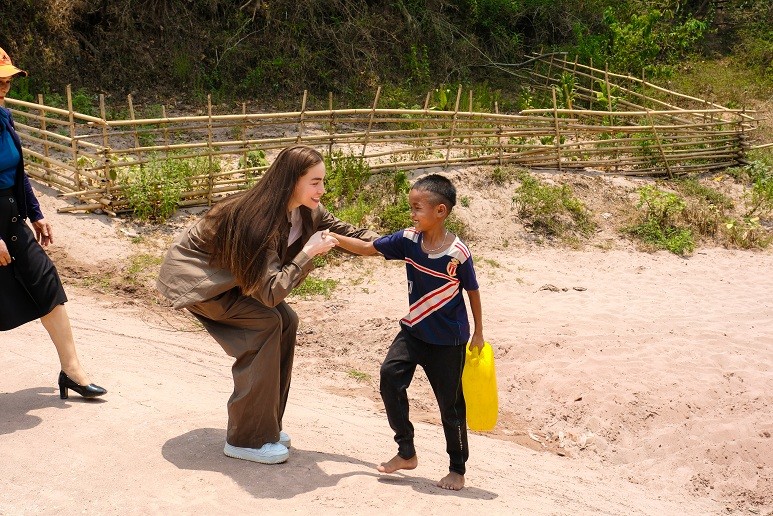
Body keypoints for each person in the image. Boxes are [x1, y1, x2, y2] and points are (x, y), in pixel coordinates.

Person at [156, 145, 379, 465]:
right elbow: (271, 293)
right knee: (265, 323)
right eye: (315, 182)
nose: (322, 189)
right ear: (292, 181)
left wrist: (405, 244)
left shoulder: (308, 212)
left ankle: (266, 427)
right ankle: (246, 439)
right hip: (198, 281)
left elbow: (353, 237)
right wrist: (307, 254)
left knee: (286, 321)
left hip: (234, 279)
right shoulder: (259, 221)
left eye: (322, 181)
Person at [335, 173, 485, 491]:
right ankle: (406, 452)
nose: (412, 214)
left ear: (440, 211)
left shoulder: (458, 253)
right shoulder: (408, 240)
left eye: (417, 208)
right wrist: (332, 239)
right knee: (390, 377)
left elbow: (472, 290)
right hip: (414, 330)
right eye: (411, 207)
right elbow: (366, 247)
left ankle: (457, 468)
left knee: (451, 405)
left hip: (448, 340)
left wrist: (479, 333)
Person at [0, 47, 106, 400]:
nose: (4, 86)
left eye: (8, 79)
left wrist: (36, 213)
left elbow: (17, 172)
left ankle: (72, 372)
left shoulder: (4, 116)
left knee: (46, 283)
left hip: (12, 218)